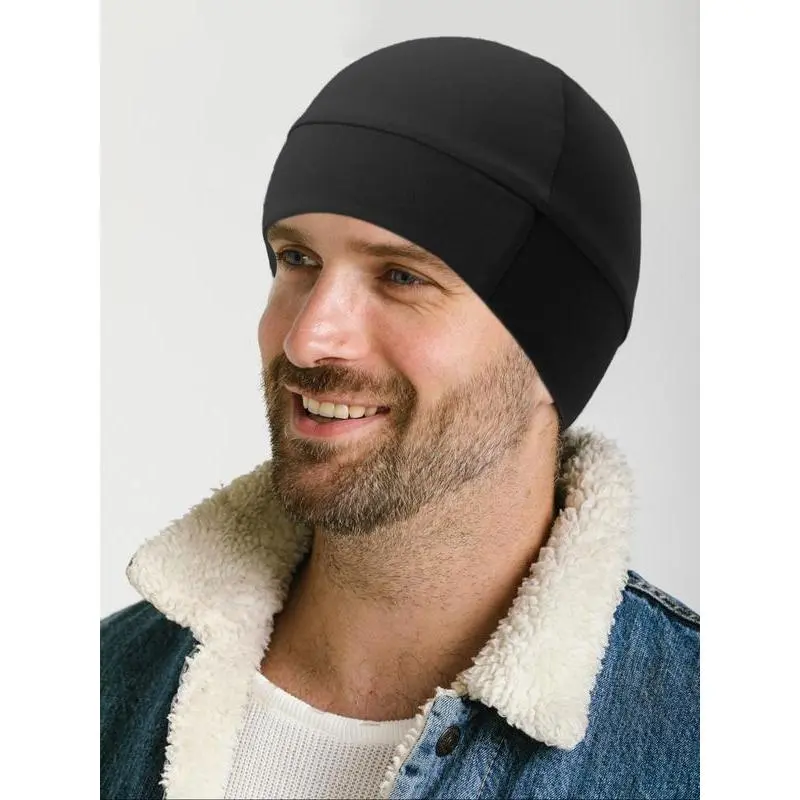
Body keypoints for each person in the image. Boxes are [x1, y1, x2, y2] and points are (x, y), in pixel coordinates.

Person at [101, 36, 699, 800]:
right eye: (298, 260)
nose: (308, 338)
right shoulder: (102, 691)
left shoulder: (705, 743)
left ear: (554, 348)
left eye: (400, 276)